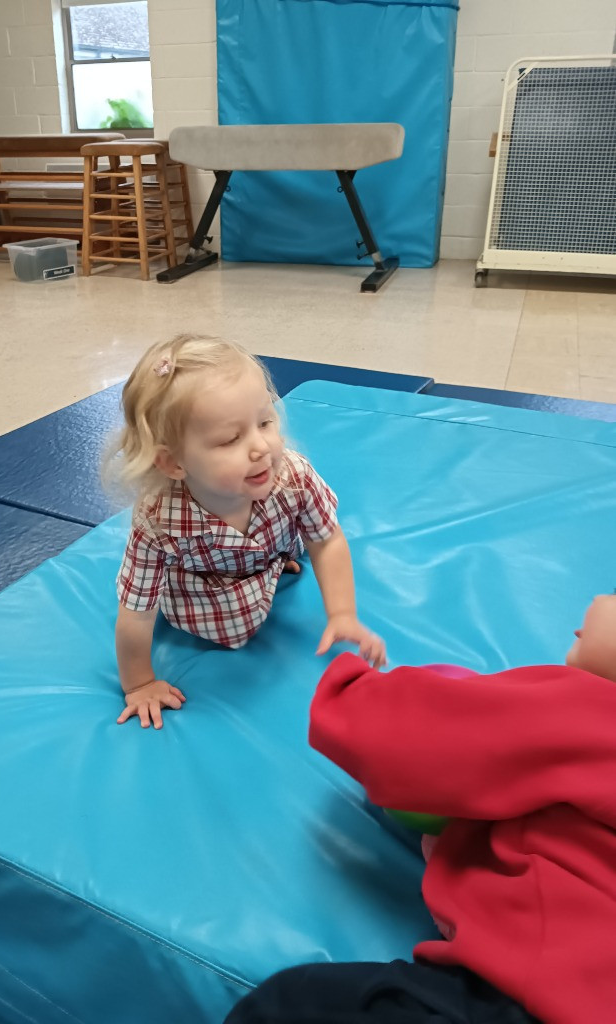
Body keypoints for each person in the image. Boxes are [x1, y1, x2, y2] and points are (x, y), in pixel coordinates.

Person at [225, 594, 616, 1024]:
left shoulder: (583, 708)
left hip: (536, 1002)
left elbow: (404, 741)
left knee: (289, 1006)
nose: (598, 598)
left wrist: (351, 688)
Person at [111, 334, 386, 728]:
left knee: (300, 539)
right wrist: (138, 684)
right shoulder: (160, 521)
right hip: (206, 588)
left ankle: (273, 563)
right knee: (222, 622)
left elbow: (326, 541)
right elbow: (137, 611)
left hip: (273, 551)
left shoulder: (292, 477)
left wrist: (342, 613)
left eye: (265, 421)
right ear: (173, 463)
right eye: (230, 439)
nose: (261, 447)